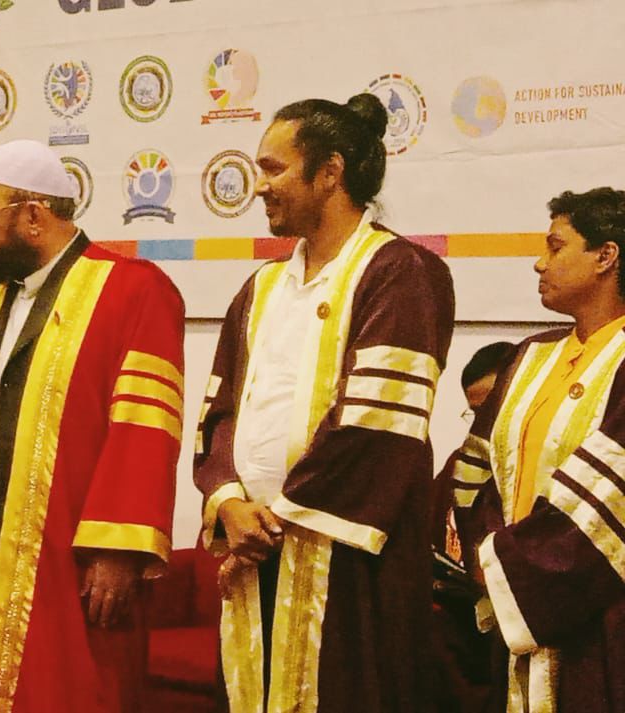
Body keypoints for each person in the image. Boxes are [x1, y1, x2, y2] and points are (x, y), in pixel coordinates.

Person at [193, 94, 455, 712]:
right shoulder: (261, 287)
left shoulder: (400, 271)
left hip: (345, 563)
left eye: (274, 168)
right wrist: (228, 501)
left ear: (330, 172)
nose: (260, 186)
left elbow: (375, 423)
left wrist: (275, 518)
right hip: (256, 548)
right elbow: (221, 410)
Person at [0, 139, 184, 713]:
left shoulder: (133, 290)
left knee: (67, 684)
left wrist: (119, 547)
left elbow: (145, 428)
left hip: (72, 544)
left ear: (33, 215)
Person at [453, 187, 625, 711]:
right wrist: (487, 559)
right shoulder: (530, 356)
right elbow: (476, 469)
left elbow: (611, 499)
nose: (538, 263)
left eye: (555, 246)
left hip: (602, 612)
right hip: (516, 606)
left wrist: (513, 566)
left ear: (606, 255)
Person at [429, 341, 518, 713]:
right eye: (475, 414)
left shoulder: (539, 463)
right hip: (460, 622)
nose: (483, 426)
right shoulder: (459, 465)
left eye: (491, 411)